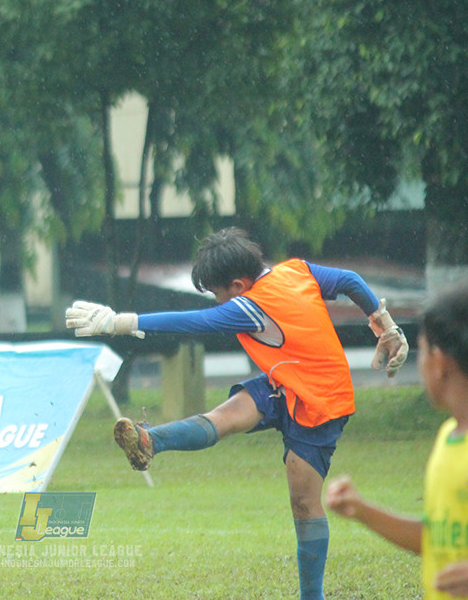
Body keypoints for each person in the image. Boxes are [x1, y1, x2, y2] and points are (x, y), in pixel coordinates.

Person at [65, 227, 409, 600]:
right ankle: (151, 441)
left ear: (238, 284)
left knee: (304, 501)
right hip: (283, 380)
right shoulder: (296, 270)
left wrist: (121, 322)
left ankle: (313, 597)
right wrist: (385, 325)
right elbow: (350, 280)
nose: (218, 304)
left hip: (321, 401)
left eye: (217, 294)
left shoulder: (250, 306)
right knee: (225, 415)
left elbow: (194, 323)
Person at [325, 279, 468, 598]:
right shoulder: (448, 438)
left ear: (440, 362)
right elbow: (436, 538)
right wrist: (363, 511)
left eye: (421, 351)